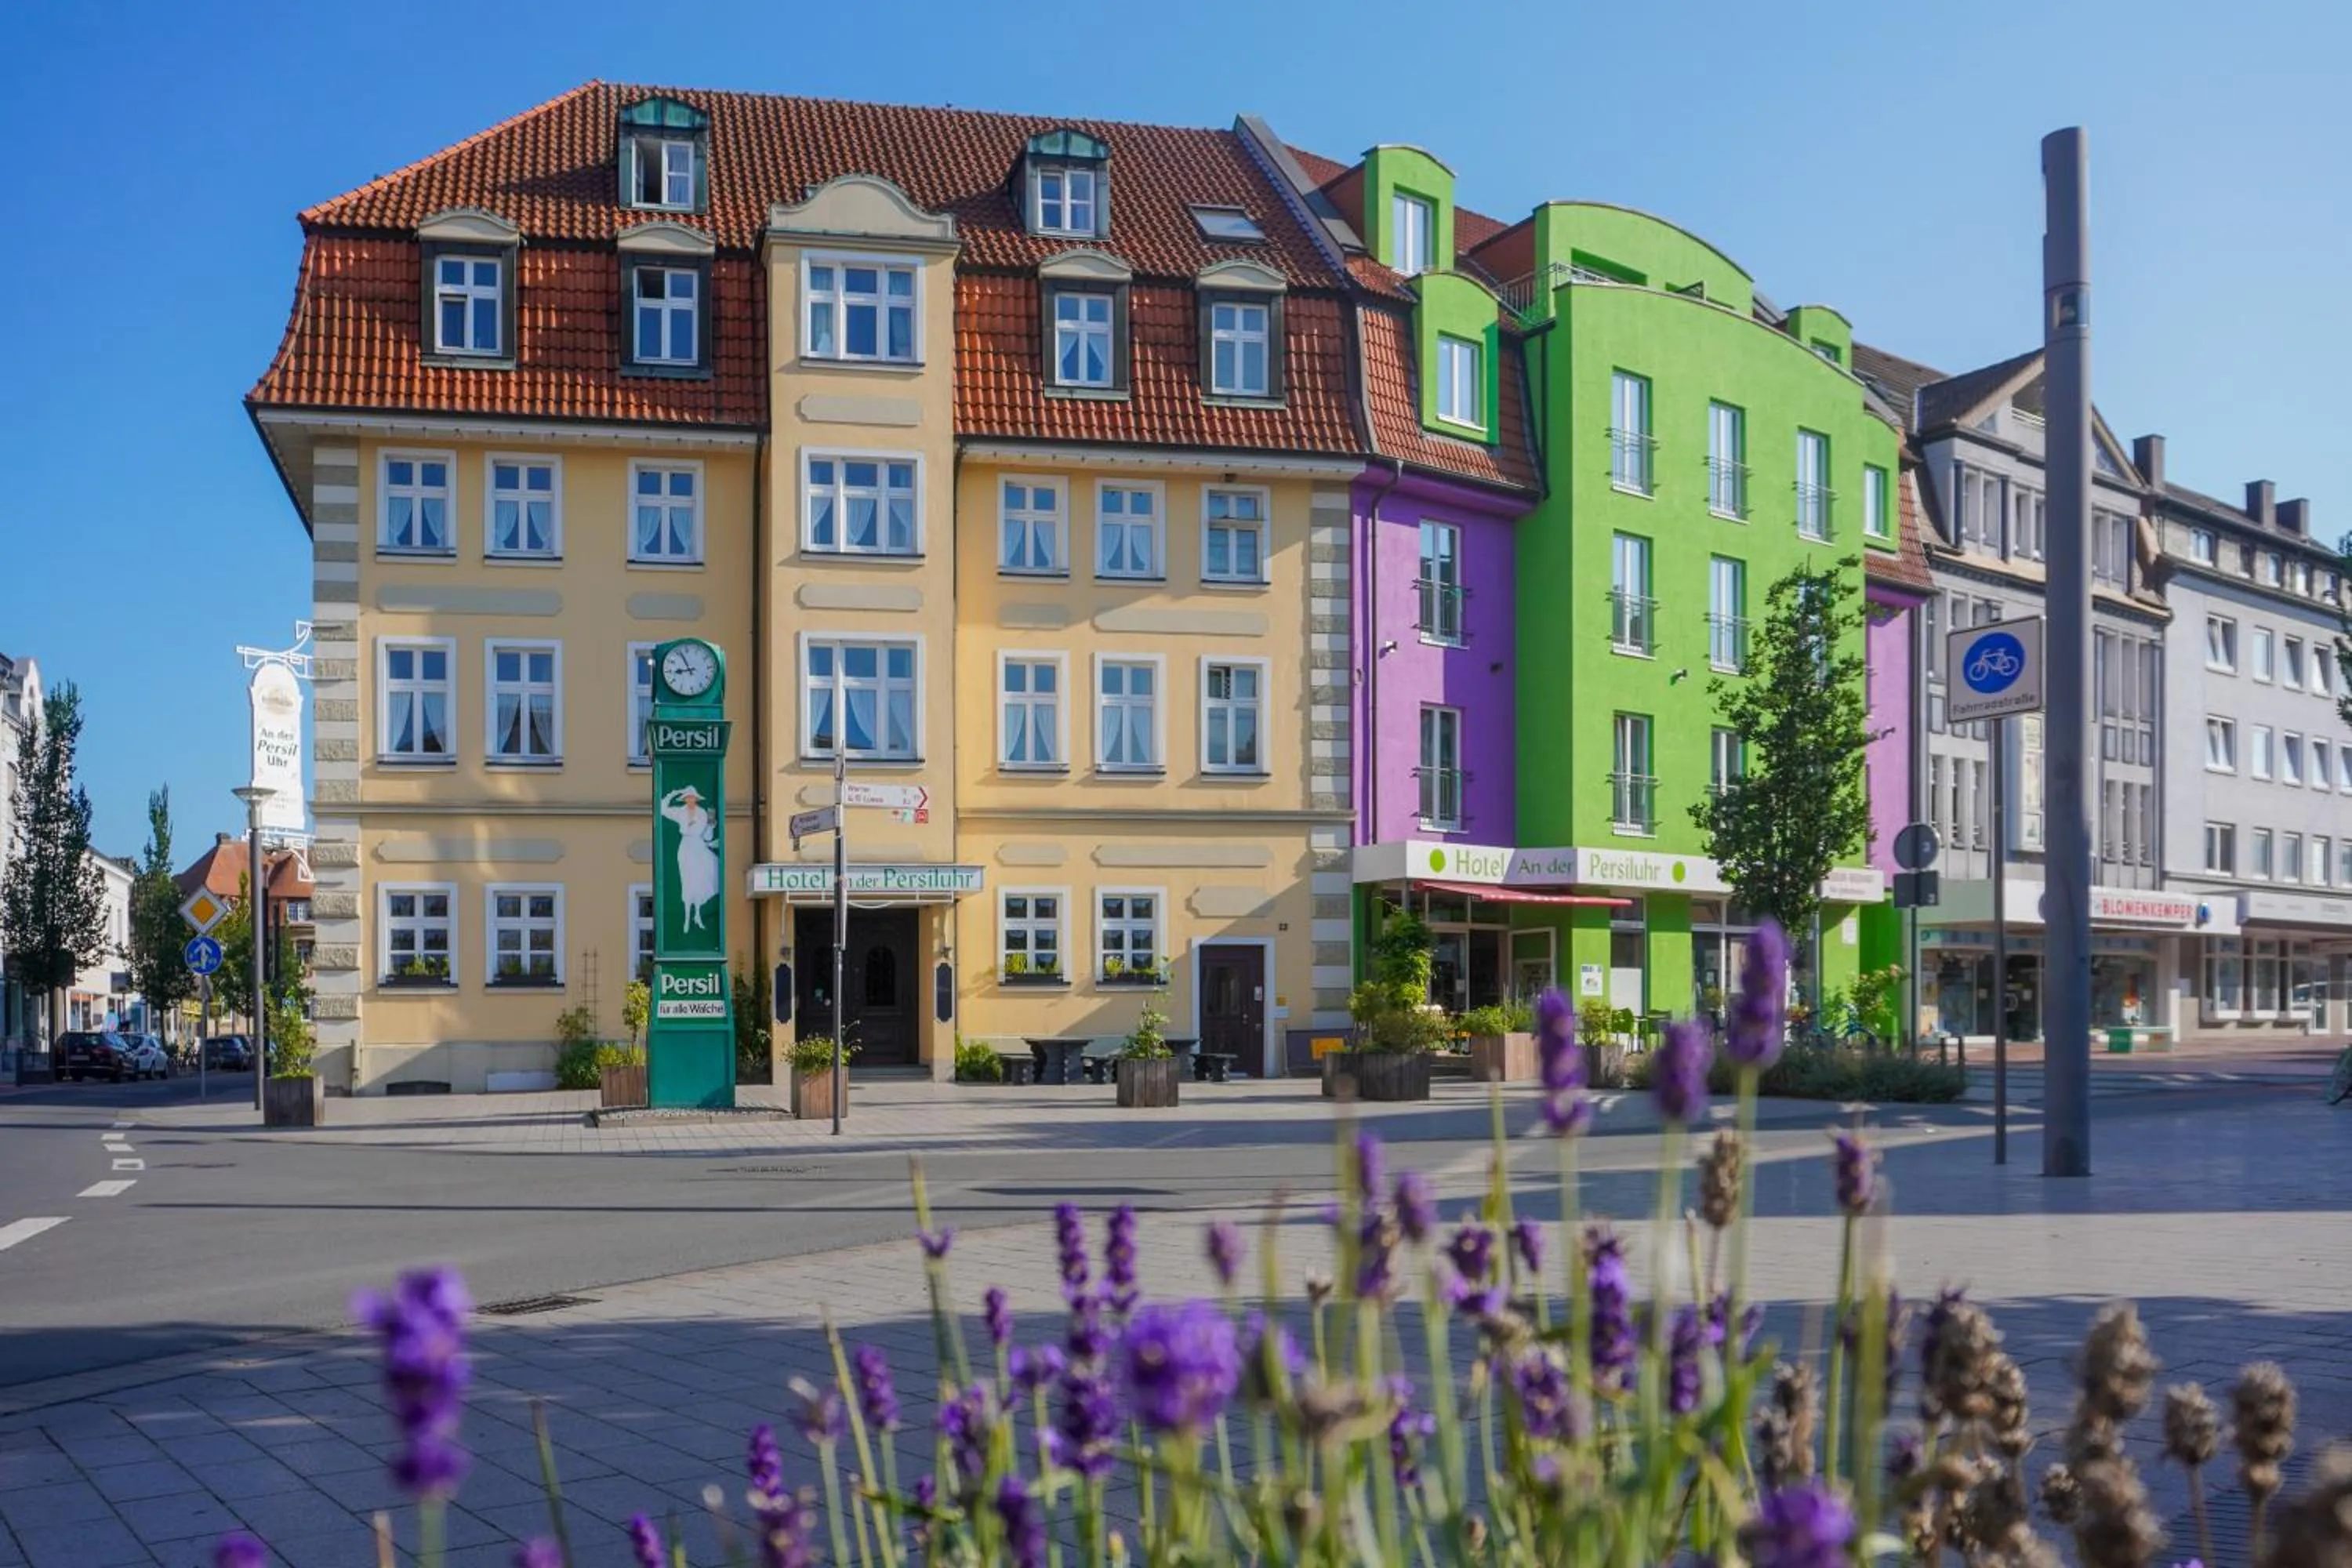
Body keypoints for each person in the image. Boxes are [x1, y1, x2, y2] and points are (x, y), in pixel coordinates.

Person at [659, 786, 720, 932]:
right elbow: (663, 809)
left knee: (700, 879)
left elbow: (708, 835)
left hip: (698, 846)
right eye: (688, 797)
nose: (690, 800)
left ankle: (697, 915)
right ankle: (687, 917)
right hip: (686, 846)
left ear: (696, 799)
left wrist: (711, 826)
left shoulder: (702, 813)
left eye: (692, 797)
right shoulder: (680, 812)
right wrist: (673, 793)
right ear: (685, 799)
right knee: (688, 881)